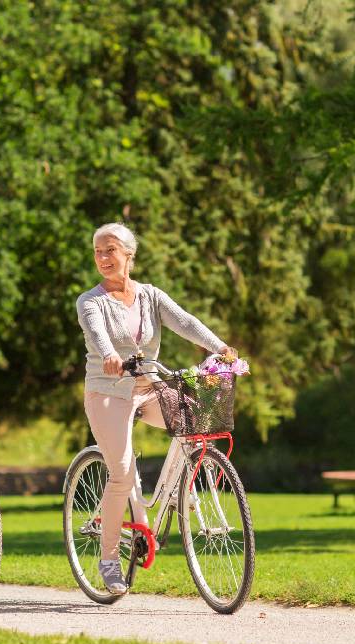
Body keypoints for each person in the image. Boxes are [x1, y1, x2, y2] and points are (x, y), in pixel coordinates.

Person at [76, 222, 238, 595]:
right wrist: (111, 356)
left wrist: (220, 348)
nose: (103, 258)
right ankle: (109, 560)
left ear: (129, 254)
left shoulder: (150, 296)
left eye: (110, 250)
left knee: (192, 422)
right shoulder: (91, 301)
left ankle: (177, 493)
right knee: (119, 472)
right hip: (108, 390)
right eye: (98, 251)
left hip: (149, 387)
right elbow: (98, 334)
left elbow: (185, 322)